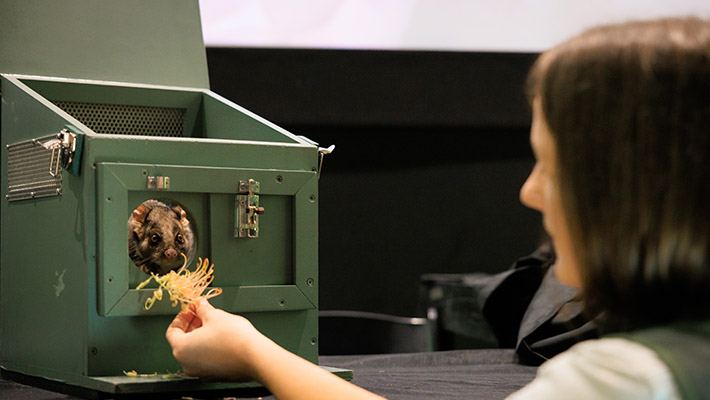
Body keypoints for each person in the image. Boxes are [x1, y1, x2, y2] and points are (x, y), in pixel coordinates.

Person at [166, 17, 710, 399]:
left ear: (630, 192)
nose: (529, 192)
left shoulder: (625, 379)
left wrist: (253, 353)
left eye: (552, 167)